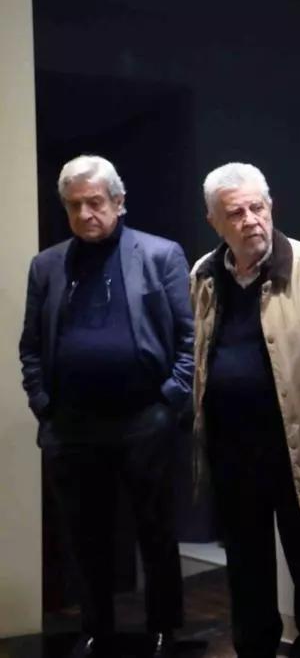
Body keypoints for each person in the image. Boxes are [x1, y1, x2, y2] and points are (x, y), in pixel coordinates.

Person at [20, 155, 193, 658]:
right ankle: (96, 629)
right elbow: (31, 345)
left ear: (118, 202)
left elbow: (190, 338)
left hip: (145, 419)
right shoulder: (47, 265)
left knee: (156, 531)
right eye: (74, 205)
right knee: (85, 535)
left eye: (94, 202)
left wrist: (170, 400)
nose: (84, 214)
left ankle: (164, 629)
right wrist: (41, 401)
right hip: (72, 424)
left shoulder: (160, 255)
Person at [190, 162, 300, 657]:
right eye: (236, 212)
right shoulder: (204, 274)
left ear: (271, 206)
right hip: (232, 447)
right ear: (215, 221)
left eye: (258, 207)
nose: (251, 220)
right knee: (246, 565)